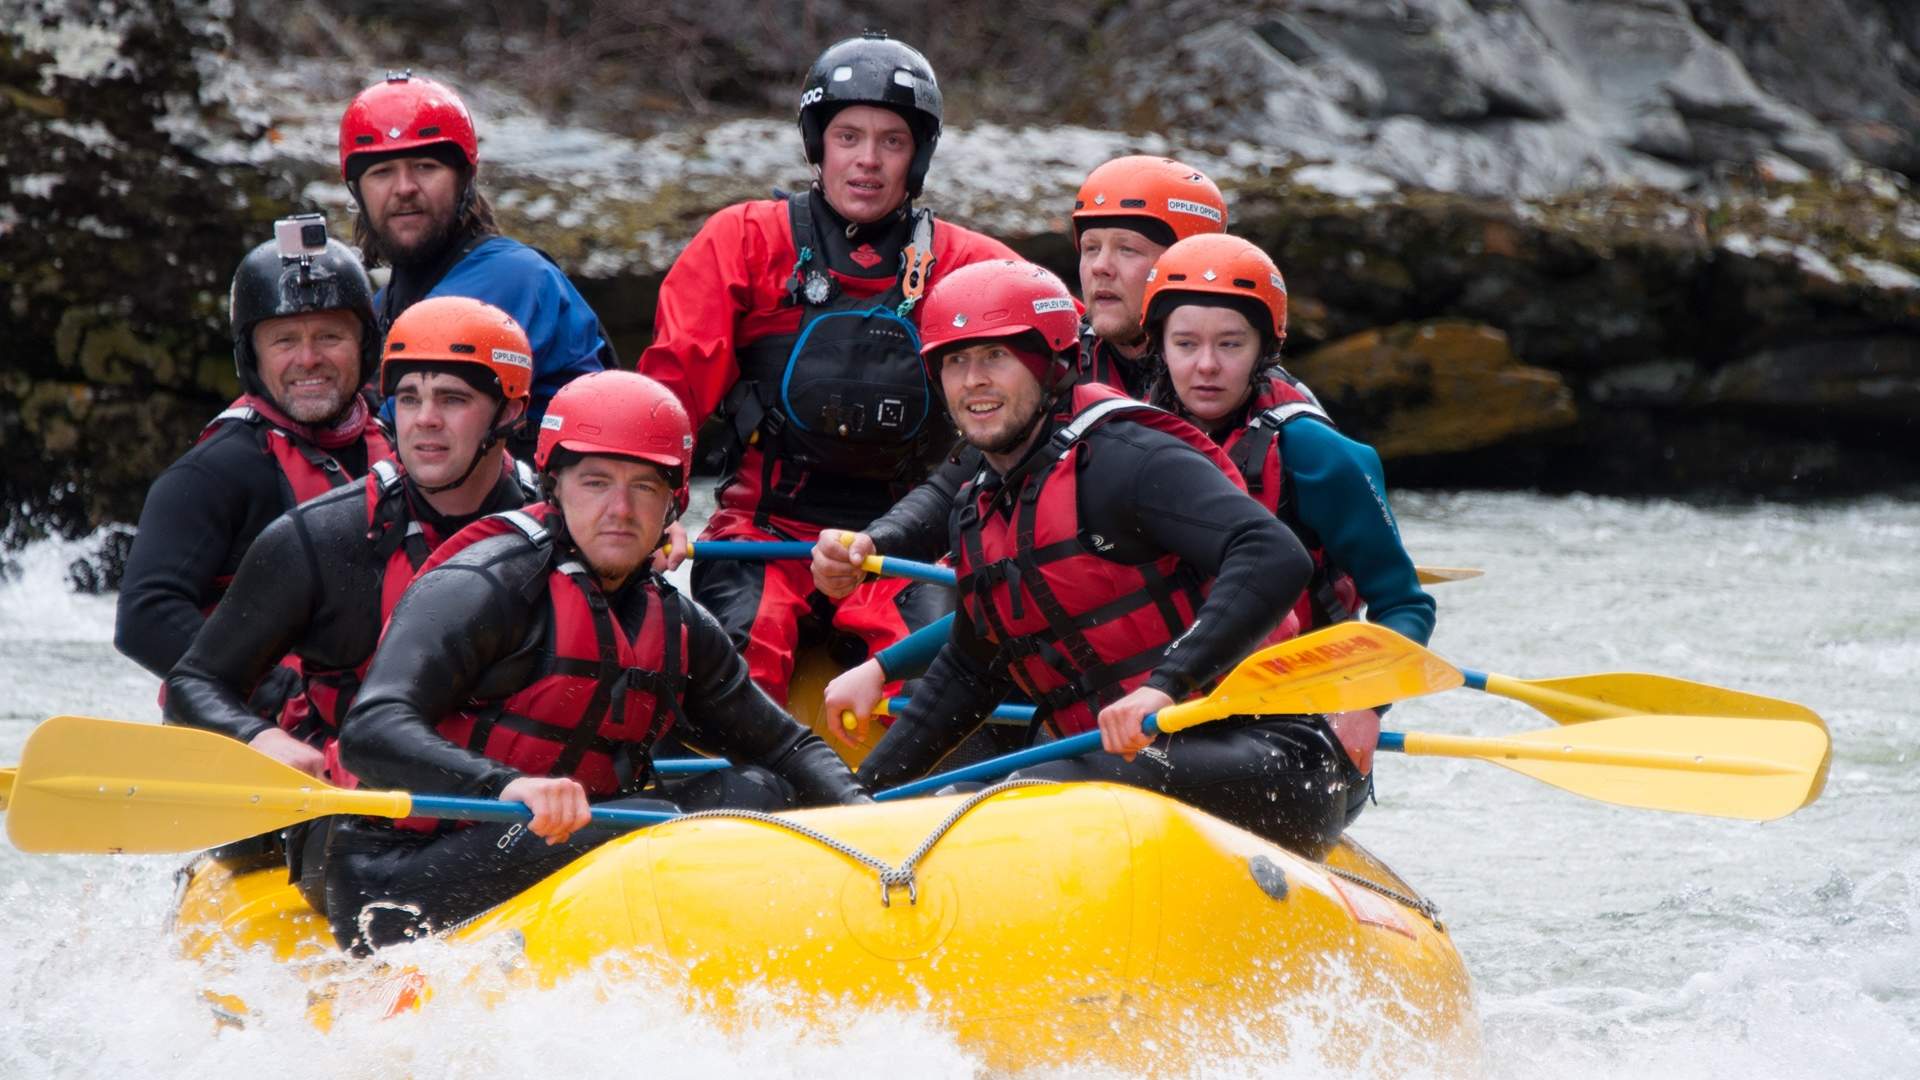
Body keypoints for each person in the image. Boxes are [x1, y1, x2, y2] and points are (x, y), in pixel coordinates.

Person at [327, 371, 868, 954]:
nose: (619, 509)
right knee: (645, 820)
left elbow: (786, 747)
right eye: (595, 483)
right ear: (554, 487)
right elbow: (371, 731)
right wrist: (507, 788)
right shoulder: (484, 585)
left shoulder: (678, 624)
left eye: (644, 488)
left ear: (673, 505)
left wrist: (867, 826)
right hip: (397, 878)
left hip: (564, 842)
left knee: (758, 793)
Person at [852, 261, 1364, 857]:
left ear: (1050, 366)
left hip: (1271, 759)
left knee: (1031, 796)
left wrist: (1166, 686)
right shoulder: (978, 510)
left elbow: (1273, 554)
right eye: (956, 362)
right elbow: (969, 671)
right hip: (1116, 771)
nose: (973, 382)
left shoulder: (1127, 460)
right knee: (949, 803)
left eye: (996, 357)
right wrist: (860, 800)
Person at [636, 32, 1019, 706]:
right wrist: (653, 508)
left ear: (917, 156)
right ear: (819, 145)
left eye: (891, 142)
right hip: (763, 534)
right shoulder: (746, 240)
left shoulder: (971, 266)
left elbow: (1067, 358)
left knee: (942, 682)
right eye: (848, 137)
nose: (867, 161)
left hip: (907, 545)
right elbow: (667, 396)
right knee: (730, 670)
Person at [812, 156, 1233, 728]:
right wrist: (871, 546)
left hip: (1222, 682)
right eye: (1091, 249)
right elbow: (957, 489)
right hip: (1099, 675)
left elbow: (1285, 567)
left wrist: (1356, 701)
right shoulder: (1056, 364)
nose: (1101, 270)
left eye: (1129, 251)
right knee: (964, 583)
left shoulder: (1269, 410)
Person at [163, 297, 541, 905]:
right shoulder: (320, 538)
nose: (424, 421)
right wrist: (260, 739)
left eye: (452, 399)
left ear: (510, 412)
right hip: (361, 820)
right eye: (409, 399)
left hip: (511, 801)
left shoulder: (559, 526)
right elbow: (195, 682)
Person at [1139, 233, 1435, 778]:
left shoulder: (1317, 454)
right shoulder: (1130, 437)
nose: (1206, 365)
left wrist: (1366, 703)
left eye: (1230, 344)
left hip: (1294, 719)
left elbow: (1405, 605)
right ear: (1159, 346)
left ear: (1262, 350)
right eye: (1185, 344)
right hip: (1164, 701)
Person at [116, 226, 393, 723]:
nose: (308, 359)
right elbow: (145, 616)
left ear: (364, 346)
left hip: (372, 723)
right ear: (253, 356)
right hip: (255, 736)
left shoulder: (397, 449)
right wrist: (276, 694)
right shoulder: (215, 471)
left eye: (329, 336)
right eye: (284, 340)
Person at [341, 71, 611, 450]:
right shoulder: (388, 301)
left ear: (463, 181)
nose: (404, 188)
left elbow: (396, 437)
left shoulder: (513, 277)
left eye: (425, 167)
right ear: (359, 191)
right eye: (382, 172)